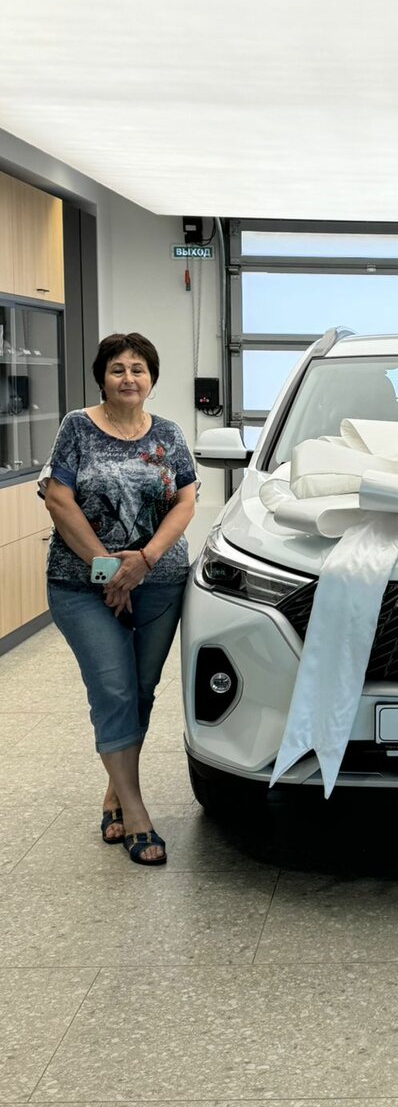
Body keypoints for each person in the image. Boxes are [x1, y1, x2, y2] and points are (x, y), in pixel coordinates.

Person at [41, 333, 197, 866]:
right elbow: (58, 499)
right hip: (81, 585)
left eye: (138, 369)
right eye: (117, 369)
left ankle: (113, 793)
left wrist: (143, 561)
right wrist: (110, 571)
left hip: (160, 580)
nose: (128, 378)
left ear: (152, 378)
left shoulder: (169, 433)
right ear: (101, 378)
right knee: (112, 688)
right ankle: (136, 813)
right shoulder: (77, 427)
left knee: (141, 691)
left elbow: (186, 500)